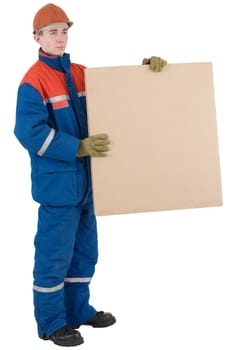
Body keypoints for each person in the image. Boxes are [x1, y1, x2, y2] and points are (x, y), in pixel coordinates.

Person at [14, 3, 167, 347]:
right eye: (53, 32)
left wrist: (147, 71)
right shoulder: (33, 82)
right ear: (36, 37)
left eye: (64, 31)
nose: (60, 37)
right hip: (59, 187)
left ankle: (78, 311)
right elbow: (29, 132)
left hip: (90, 185)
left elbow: (117, 95)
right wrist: (77, 147)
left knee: (85, 252)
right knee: (54, 257)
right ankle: (52, 323)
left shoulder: (81, 73)